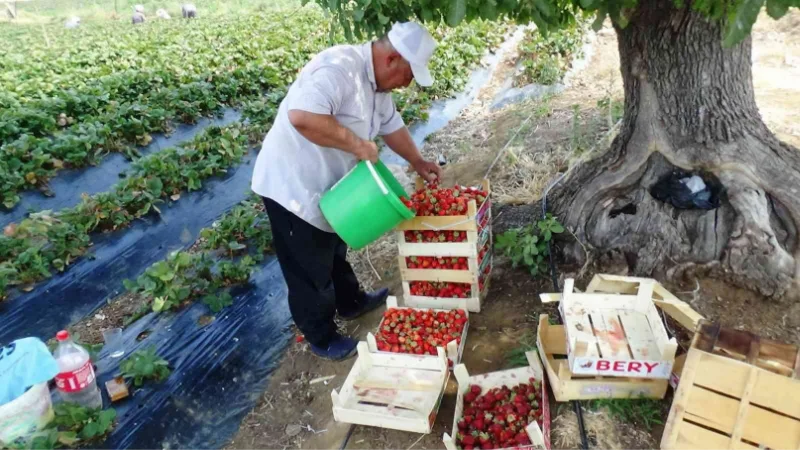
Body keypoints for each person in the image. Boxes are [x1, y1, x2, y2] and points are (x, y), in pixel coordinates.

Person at [251, 22, 443, 361]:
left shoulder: (378, 90)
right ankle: (321, 337)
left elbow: (392, 126)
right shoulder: (339, 68)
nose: (408, 83)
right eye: (409, 75)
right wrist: (357, 145)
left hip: (330, 186)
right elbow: (301, 116)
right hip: (293, 187)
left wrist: (418, 160)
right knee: (309, 266)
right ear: (392, 59)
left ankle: (351, 302)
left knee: (334, 245)